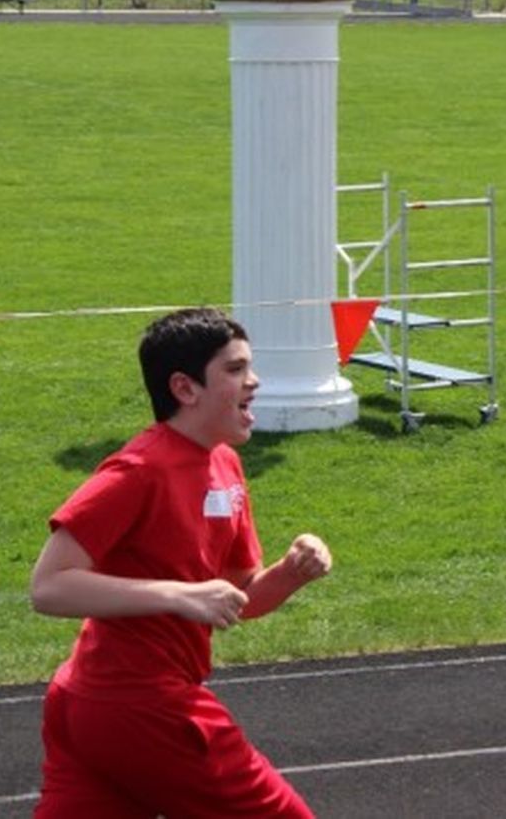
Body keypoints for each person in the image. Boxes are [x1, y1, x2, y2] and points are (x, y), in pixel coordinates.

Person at [31, 307, 332, 818]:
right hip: (143, 705)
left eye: (250, 366)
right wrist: (179, 595)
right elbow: (48, 587)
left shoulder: (224, 462)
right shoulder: (138, 470)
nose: (254, 381)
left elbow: (237, 599)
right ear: (185, 388)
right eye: (235, 369)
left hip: (92, 704)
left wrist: (290, 573)